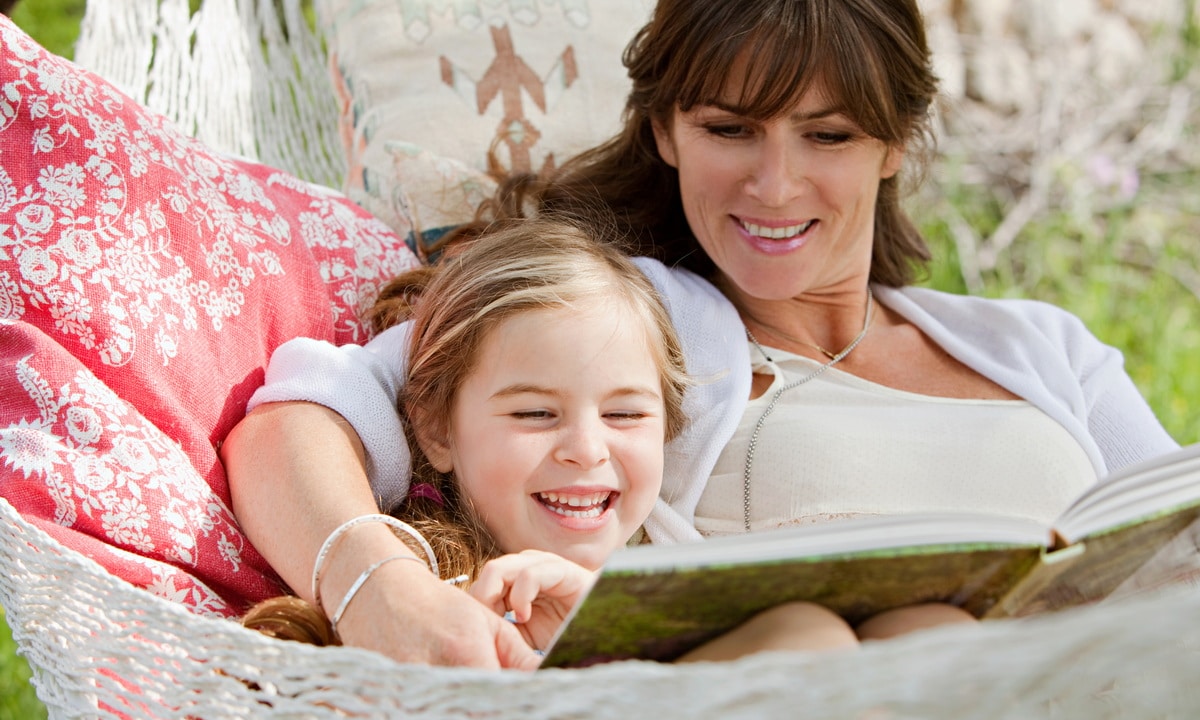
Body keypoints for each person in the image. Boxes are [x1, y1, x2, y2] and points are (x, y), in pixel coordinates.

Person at [220, 0, 1178, 667]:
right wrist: (382, 590)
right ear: (666, 131)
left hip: (1119, 711)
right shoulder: (623, 316)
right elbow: (299, 422)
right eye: (730, 130)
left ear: (895, 143)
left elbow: (1179, 542)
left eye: (828, 135)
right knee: (922, 639)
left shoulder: (1041, 347)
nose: (773, 185)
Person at [239, 216, 861, 661]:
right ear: (436, 430)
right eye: (535, 414)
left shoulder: (673, 563)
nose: (587, 449)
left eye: (625, 416)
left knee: (810, 631)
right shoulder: (442, 610)